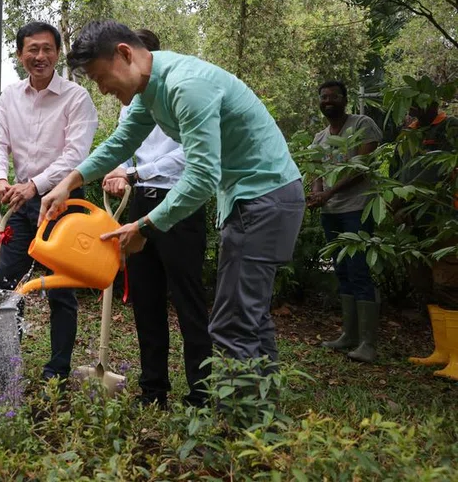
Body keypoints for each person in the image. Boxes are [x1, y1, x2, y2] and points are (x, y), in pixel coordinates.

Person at [42, 20, 304, 370]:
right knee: (250, 319)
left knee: (233, 324)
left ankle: (244, 419)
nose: (102, 90)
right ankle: (262, 415)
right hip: (251, 199)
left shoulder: (186, 86)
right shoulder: (149, 90)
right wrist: (67, 182)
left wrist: (145, 226)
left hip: (264, 199)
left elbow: (202, 175)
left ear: (124, 54)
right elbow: (121, 142)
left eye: (102, 77)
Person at [101, 29, 211, 407]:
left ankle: (201, 391)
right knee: (146, 300)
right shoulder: (129, 101)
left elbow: (187, 158)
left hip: (181, 204)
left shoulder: (181, 94)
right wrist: (117, 171)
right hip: (141, 206)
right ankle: (153, 389)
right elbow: (124, 146)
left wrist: (133, 174)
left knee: (188, 300)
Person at [0, 21, 99, 381]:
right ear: (20, 55)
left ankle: (57, 372)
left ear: (57, 53)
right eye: (32, 49)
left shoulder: (76, 98)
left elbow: (75, 155)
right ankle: (6, 365)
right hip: (20, 202)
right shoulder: (9, 98)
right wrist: (1, 178)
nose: (40, 56)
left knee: (61, 290)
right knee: (6, 282)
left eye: (48, 49)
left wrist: (34, 185)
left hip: (62, 204)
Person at [308, 80, 382, 362]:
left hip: (357, 208)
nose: (328, 101)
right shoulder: (320, 138)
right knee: (341, 270)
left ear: (344, 99)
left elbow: (362, 167)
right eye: (323, 97)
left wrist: (329, 192)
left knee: (359, 269)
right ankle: (349, 335)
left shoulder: (362, 124)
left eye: (333, 96)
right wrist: (317, 195)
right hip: (332, 212)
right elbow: (315, 172)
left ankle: (368, 344)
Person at [397, 99, 458, 378]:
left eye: (419, 102)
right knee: (425, 284)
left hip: (445, 217)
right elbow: (397, 171)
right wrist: (396, 206)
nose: (413, 109)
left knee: (449, 283)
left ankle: (457, 358)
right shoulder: (408, 133)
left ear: (434, 101)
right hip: (413, 220)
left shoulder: (451, 127)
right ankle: (441, 351)